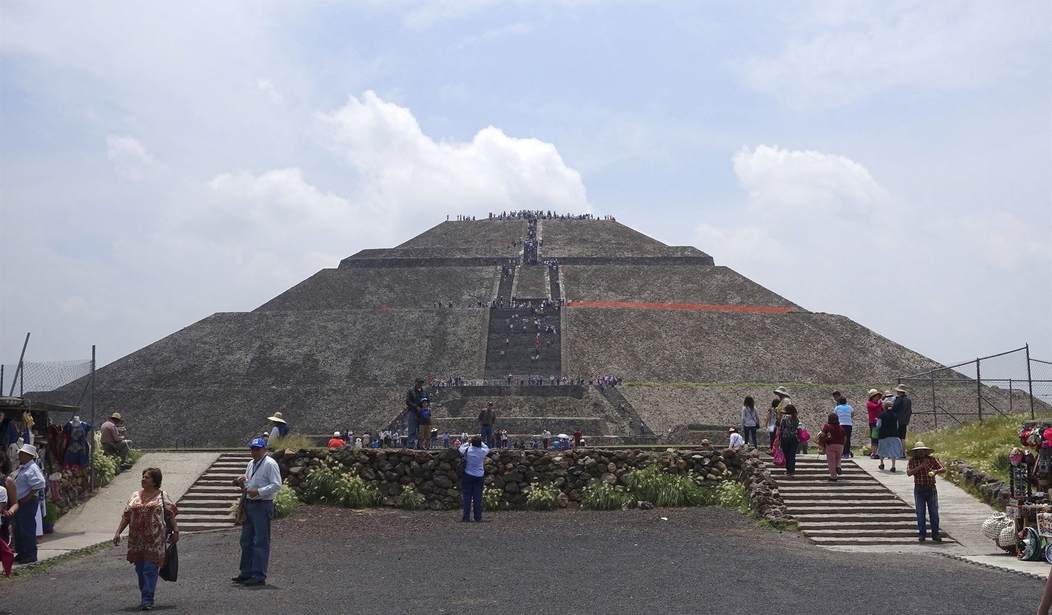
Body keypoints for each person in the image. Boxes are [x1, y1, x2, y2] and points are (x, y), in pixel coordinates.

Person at [112, 468, 178, 611]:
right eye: (143, 476)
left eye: (147, 477)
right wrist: (118, 532)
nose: (143, 479)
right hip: (136, 541)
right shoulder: (134, 495)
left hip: (155, 540)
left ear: (155, 481)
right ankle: (145, 595)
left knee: (150, 568)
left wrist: (175, 530)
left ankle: (147, 599)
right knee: (140, 570)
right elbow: (126, 516)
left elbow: (171, 513)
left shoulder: (162, 496)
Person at [232, 437, 282, 586]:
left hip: (262, 504)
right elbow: (251, 480)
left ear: (264, 449)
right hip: (250, 503)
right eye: (252, 449)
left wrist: (259, 491)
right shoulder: (251, 463)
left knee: (260, 540)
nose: (254, 452)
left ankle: (259, 575)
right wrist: (243, 481)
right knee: (246, 540)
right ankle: (246, 572)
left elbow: (276, 484)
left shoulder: (270, 463)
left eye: (257, 449)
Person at [9, 443, 44, 564]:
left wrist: (27, 496)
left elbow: (40, 483)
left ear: (28, 455)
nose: (20, 456)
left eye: (22, 454)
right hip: (20, 501)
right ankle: (22, 553)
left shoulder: (32, 468)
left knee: (26, 528)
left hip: (27, 502)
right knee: (19, 528)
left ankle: (30, 554)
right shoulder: (24, 467)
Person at [906, 441, 944, 543]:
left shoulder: (932, 459)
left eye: (922, 451)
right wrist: (921, 466)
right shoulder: (912, 461)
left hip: (931, 488)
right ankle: (922, 534)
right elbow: (909, 473)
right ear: (916, 452)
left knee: (934, 512)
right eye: (918, 451)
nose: (921, 453)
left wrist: (936, 471)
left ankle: (935, 534)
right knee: (920, 512)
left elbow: (942, 468)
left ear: (925, 451)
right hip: (919, 489)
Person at [458, 436, 489, 522]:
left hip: (468, 474)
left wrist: (468, 442)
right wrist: (480, 442)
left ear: (472, 443)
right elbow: (487, 447)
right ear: (480, 443)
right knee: (478, 497)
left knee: (467, 497)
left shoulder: (467, 450)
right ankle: (478, 517)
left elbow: (460, 448)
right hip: (479, 475)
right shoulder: (483, 451)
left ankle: (466, 517)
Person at [876, 404, 903, 472]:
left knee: (881, 449)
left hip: (883, 435)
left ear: (884, 407)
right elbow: (897, 426)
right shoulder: (895, 415)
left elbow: (878, 425)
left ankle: (882, 463)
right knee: (893, 451)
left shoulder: (881, 415)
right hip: (894, 435)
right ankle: (893, 466)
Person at [819, 413, 845, 481]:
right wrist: (843, 445)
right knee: (838, 458)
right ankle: (838, 466)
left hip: (830, 445)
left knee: (831, 461)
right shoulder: (841, 427)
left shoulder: (827, 426)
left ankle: (833, 476)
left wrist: (821, 436)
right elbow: (845, 437)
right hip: (840, 445)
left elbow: (822, 435)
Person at [778, 405, 800, 476]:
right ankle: (792, 471)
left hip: (785, 438)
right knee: (792, 455)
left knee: (787, 455)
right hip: (794, 438)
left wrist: (779, 439)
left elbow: (781, 428)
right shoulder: (796, 418)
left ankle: (788, 470)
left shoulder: (785, 418)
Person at [405, 379, 427, 448]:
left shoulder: (424, 392)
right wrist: (416, 406)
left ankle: (420, 445)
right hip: (413, 411)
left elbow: (427, 400)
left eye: (421, 383)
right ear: (416, 383)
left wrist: (426, 407)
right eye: (419, 383)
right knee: (412, 429)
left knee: (421, 429)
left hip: (422, 413)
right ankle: (411, 445)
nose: (420, 384)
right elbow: (407, 401)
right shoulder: (411, 391)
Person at [892, 385, 912, 458]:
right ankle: (903, 453)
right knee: (903, 437)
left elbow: (894, 408)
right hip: (905, 421)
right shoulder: (908, 400)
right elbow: (910, 411)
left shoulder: (898, 399)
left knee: (897, 437)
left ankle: (898, 452)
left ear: (899, 392)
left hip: (898, 420)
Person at [833, 392, 853, 458]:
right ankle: (846, 453)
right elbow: (852, 414)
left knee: (840, 439)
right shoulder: (850, 407)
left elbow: (834, 416)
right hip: (848, 424)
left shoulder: (837, 407)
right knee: (848, 439)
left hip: (840, 425)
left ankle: (841, 453)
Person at [865, 389, 883, 459]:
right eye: (876, 397)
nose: (878, 398)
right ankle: (874, 453)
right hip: (873, 422)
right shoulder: (869, 403)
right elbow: (875, 407)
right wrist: (880, 403)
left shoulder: (878, 403)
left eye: (878, 397)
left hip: (879, 422)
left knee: (879, 438)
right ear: (872, 397)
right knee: (874, 438)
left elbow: (882, 410)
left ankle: (878, 452)